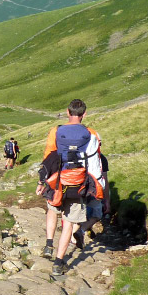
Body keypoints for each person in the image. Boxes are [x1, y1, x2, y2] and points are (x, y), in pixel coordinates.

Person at [35, 99, 105, 274]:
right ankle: (58, 263)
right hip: (79, 184)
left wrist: (42, 181)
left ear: (67, 112)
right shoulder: (91, 133)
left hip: (58, 181)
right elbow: (95, 161)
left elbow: (48, 157)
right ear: (84, 114)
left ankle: (49, 244)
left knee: (52, 210)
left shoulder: (56, 131)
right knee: (68, 222)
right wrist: (98, 186)